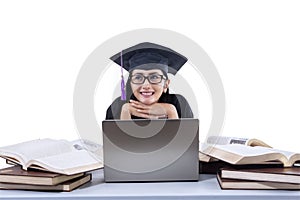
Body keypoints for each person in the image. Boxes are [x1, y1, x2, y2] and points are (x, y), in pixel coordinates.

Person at [105, 42, 193, 120]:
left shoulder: (180, 104)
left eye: (154, 77)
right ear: (130, 83)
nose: (146, 85)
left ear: (166, 84)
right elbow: (115, 139)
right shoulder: (117, 106)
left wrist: (171, 111)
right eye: (138, 78)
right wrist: (125, 112)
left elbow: (188, 138)